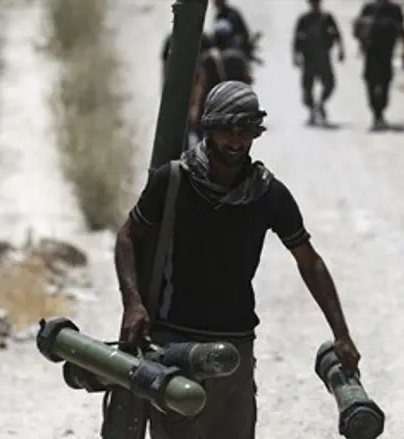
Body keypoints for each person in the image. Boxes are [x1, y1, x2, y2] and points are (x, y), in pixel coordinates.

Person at [114, 80, 362, 439]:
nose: (236, 140)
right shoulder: (173, 181)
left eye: (245, 130)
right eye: (226, 130)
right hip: (173, 343)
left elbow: (309, 262)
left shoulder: (267, 194)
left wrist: (341, 334)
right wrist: (133, 303)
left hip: (236, 346)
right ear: (209, 129)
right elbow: (128, 237)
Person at [188, 20, 252, 144]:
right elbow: (247, 82)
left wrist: (195, 108)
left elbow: (201, 85)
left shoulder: (208, 58)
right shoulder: (238, 57)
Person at [352, 0, 404, 130]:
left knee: (385, 82)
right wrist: (362, 42)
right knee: (371, 83)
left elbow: (401, 30)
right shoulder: (368, 8)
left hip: (386, 54)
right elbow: (358, 29)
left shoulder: (394, 10)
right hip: (371, 54)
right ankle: (376, 113)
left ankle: (380, 112)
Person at [293, 0, 346, 126]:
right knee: (307, 87)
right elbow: (297, 38)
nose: (315, 5)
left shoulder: (327, 18)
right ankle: (312, 109)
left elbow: (337, 34)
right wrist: (295, 55)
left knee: (329, 84)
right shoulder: (304, 19)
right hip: (309, 57)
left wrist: (341, 50)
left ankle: (320, 103)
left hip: (323, 57)